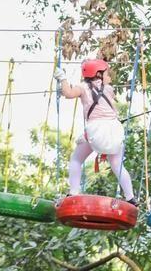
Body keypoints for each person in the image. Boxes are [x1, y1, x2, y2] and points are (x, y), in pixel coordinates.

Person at [54, 59, 137, 205]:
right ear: (98, 74)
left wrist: (63, 79)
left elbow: (68, 93)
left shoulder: (83, 87)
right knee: (117, 164)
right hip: (114, 129)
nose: (109, 75)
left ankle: (73, 192)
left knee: (76, 160)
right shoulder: (109, 89)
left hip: (96, 130)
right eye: (106, 73)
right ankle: (131, 197)